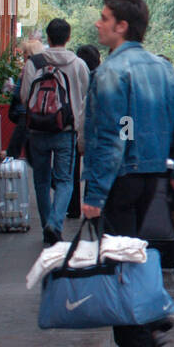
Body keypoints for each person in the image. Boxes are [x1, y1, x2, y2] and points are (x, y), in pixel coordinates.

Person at [82, 0, 174, 347]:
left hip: (120, 182)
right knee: (137, 257)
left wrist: (94, 193)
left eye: (104, 17)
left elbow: (108, 139)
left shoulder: (110, 72)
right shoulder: (163, 69)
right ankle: (142, 336)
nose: (98, 23)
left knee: (119, 265)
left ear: (122, 26)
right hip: (154, 179)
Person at [20, 18, 89, 245]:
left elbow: (24, 96)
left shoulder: (35, 63)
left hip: (38, 129)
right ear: (68, 38)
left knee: (41, 181)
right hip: (65, 131)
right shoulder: (78, 64)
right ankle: (55, 224)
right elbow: (85, 99)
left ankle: (46, 227)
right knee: (65, 181)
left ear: (47, 38)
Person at [67, 44, 101, 220]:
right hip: (100, 135)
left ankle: (73, 208)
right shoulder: (103, 78)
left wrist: (81, 141)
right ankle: (91, 207)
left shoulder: (73, 70)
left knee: (72, 169)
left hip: (72, 124)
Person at [4, 36, 42, 160]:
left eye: (25, 52)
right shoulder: (40, 68)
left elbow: (23, 93)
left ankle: (10, 175)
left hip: (24, 113)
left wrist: (13, 88)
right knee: (31, 153)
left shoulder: (28, 67)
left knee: (14, 150)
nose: (23, 54)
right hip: (31, 113)